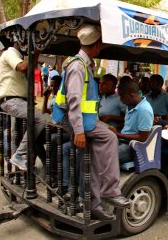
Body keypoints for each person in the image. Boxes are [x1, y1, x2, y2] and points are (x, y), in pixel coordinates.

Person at [52, 24, 129, 220]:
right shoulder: (78, 66)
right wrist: (78, 131)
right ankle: (111, 191)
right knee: (110, 138)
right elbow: (74, 101)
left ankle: (94, 205)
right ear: (97, 45)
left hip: (84, 121)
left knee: (94, 160)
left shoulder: (83, 64)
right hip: (74, 121)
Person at [0, 39, 46, 171]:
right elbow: (22, 67)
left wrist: (37, 52)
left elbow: (28, 69)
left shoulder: (18, 56)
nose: (27, 46)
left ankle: (21, 161)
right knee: (41, 118)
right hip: (11, 100)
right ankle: (19, 155)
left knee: (18, 132)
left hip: (19, 100)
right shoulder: (10, 53)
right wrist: (36, 51)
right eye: (25, 43)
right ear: (18, 42)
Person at [110, 80, 154, 163]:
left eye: (121, 97)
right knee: (99, 149)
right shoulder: (131, 105)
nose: (120, 100)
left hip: (133, 147)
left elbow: (143, 138)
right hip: (123, 141)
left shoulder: (144, 110)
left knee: (106, 155)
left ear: (130, 95)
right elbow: (129, 125)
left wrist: (118, 134)